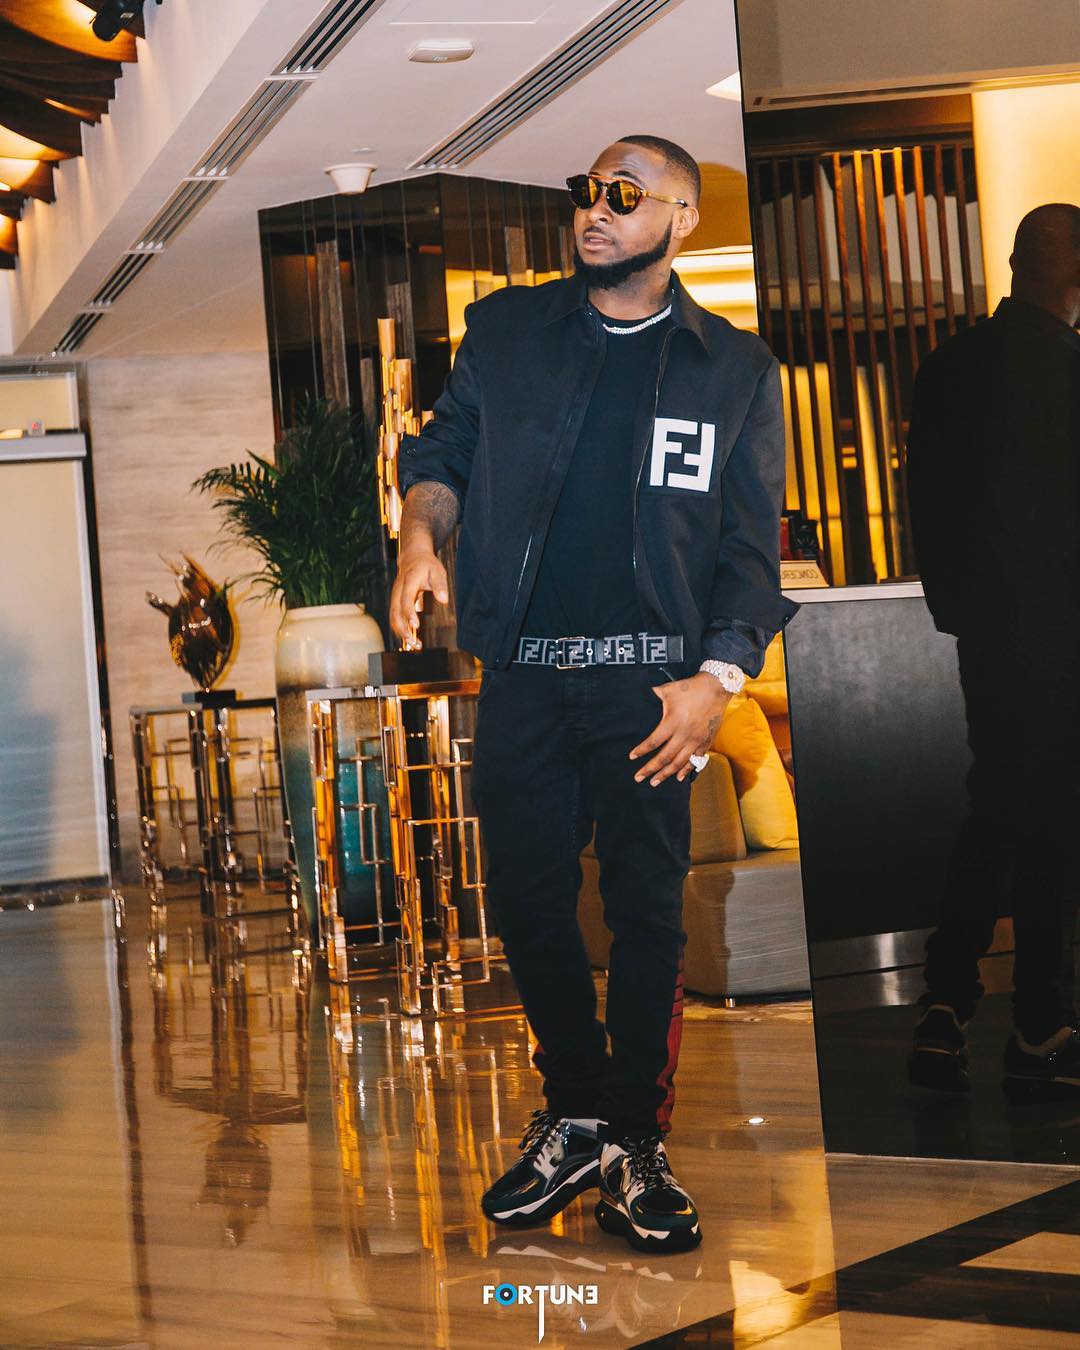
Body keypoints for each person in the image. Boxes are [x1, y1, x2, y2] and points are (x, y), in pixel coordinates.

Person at [392, 135, 796, 1253]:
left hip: (652, 690)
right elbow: (443, 454)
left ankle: (635, 1143)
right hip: (523, 674)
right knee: (527, 899)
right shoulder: (509, 331)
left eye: (625, 194)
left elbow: (747, 552)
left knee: (646, 913)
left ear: (682, 218)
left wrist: (716, 680)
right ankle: (575, 1115)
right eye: (588, 191)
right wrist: (419, 541)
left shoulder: (733, 369)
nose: (596, 210)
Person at [906, 203, 1080, 1099]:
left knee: (999, 804)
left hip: (991, 635)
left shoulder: (949, 365)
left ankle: (947, 1003)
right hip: (1062, 634)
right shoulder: (1069, 369)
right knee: (1045, 821)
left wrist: (963, 614)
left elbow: (927, 507)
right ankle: (1036, 1021)